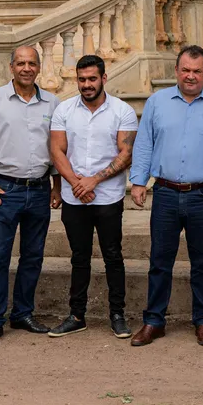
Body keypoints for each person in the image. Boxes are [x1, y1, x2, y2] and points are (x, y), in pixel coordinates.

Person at [129, 45, 203, 346]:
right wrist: (138, 181)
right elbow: (144, 144)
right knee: (160, 260)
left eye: (197, 71)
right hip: (164, 193)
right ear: (176, 70)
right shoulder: (157, 102)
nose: (191, 76)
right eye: (185, 70)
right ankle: (153, 321)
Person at [0, 45, 61, 345]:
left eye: (31, 63)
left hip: (39, 190)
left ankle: (22, 313)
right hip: (5, 190)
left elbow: (59, 149)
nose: (26, 68)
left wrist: (57, 187)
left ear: (38, 68)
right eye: (20, 63)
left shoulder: (52, 103)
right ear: (11, 67)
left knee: (33, 256)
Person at [46, 55, 139, 339]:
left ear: (103, 78)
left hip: (108, 196)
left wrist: (93, 180)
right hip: (75, 198)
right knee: (79, 257)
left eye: (92, 79)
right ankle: (76, 315)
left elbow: (126, 153)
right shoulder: (64, 109)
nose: (87, 85)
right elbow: (56, 151)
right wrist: (76, 184)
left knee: (113, 256)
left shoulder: (122, 111)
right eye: (82, 80)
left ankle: (117, 315)